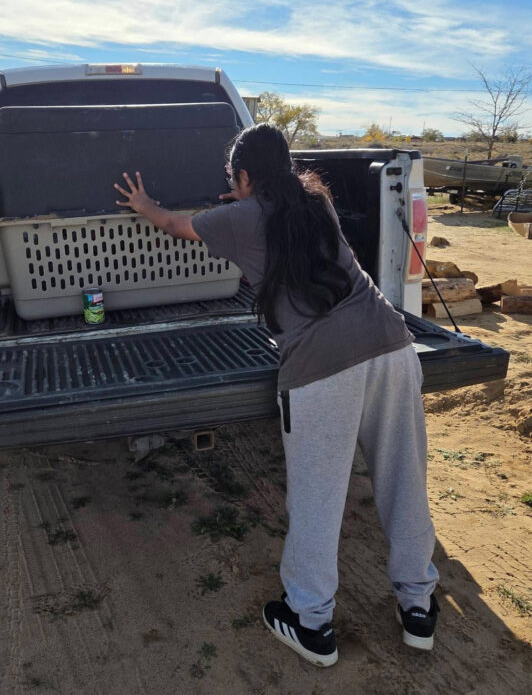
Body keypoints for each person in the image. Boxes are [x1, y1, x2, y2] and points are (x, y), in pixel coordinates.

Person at [114, 123, 439, 668]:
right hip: (390, 345)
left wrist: (144, 203)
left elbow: (173, 225)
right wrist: (245, 195)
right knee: (404, 477)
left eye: (233, 178)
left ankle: (311, 623)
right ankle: (419, 607)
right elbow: (276, 214)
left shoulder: (235, 218)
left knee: (317, 495)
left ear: (242, 177)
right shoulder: (316, 202)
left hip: (322, 367)